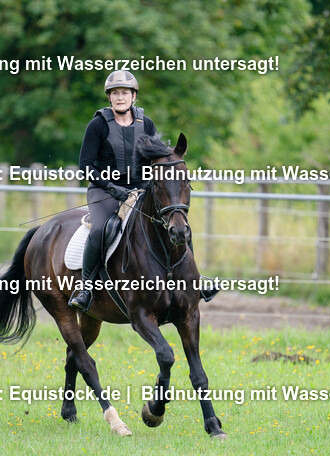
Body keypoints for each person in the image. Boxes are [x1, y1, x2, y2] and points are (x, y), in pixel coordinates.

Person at [68, 70, 219, 311]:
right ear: (109, 97)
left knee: (179, 226)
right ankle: (86, 288)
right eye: (115, 93)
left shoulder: (145, 123)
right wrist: (111, 187)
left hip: (140, 189)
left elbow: (156, 159)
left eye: (125, 93)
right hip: (104, 190)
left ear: (134, 96)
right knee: (100, 229)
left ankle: (194, 283)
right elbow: (85, 166)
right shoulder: (97, 125)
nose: (120, 97)